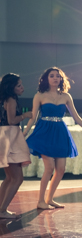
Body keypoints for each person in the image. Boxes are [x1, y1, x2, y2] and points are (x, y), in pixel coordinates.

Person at [25, 67, 82, 210]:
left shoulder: (66, 96)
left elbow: (76, 117)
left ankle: (49, 199)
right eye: (52, 76)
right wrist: (24, 133)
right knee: (49, 167)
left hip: (60, 132)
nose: (55, 78)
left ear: (61, 79)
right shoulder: (39, 95)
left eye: (58, 76)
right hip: (45, 132)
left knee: (60, 169)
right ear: (46, 78)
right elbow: (33, 117)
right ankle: (40, 201)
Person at [0, 74, 33, 219]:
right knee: (17, 178)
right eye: (19, 85)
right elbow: (12, 120)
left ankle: (1, 209)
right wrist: (26, 115)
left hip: (5, 135)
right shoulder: (11, 99)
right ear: (11, 87)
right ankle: (2, 210)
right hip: (10, 137)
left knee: (9, 178)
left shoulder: (5, 99)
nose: (22, 88)